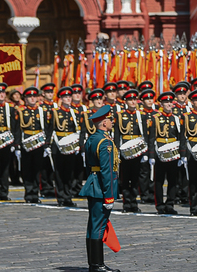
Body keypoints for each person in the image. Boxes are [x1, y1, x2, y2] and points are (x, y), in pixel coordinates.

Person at [79, 105, 120, 272]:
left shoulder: (92, 138)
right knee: (98, 226)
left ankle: (94, 264)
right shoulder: (105, 142)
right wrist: (109, 196)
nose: (112, 122)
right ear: (104, 123)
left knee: (93, 225)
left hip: (93, 184)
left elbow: (90, 166)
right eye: (110, 119)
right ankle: (97, 265)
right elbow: (107, 171)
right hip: (101, 188)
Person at [147, 92, 183, 215]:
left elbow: (180, 137)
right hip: (160, 151)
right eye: (166, 102)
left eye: (170, 102)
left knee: (173, 180)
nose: (169, 104)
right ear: (161, 104)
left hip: (173, 152)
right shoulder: (156, 118)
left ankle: (170, 203)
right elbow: (151, 138)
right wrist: (151, 155)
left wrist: (181, 154)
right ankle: (160, 205)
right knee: (159, 180)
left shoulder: (176, 119)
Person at [18, 87, 49, 204]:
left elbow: (46, 127)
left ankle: (35, 193)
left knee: (37, 169)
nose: (32, 98)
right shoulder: (20, 111)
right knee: (27, 169)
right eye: (29, 96)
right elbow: (17, 128)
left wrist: (46, 144)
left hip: (39, 143)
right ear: (25, 99)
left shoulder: (42, 111)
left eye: (34, 96)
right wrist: (17, 145)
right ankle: (28, 192)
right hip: (26, 142)